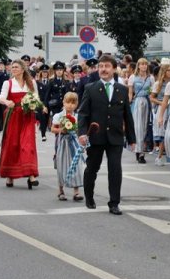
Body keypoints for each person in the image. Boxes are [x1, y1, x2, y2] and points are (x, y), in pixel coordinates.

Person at [77, 54, 136, 215]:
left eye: (107, 66)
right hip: (96, 136)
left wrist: (132, 138)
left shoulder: (122, 89)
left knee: (115, 169)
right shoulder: (91, 88)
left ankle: (114, 202)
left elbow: (127, 115)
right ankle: (89, 197)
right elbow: (83, 113)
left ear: (114, 69)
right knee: (92, 168)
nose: (103, 69)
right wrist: (82, 133)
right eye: (101, 66)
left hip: (116, 136)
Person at [0, 60, 39, 189]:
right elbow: (1, 98)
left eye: (16, 67)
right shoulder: (7, 83)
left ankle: (31, 175)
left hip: (27, 116)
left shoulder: (31, 83)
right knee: (13, 144)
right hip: (13, 116)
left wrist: (38, 106)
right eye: (12, 67)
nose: (13, 69)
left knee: (28, 144)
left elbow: (36, 98)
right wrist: (7, 102)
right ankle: (10, 176)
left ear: (22, 69)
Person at [51, 92, 83, 202]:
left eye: (73, 103)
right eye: (68, 102)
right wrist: (61, 130)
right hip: (62, 143)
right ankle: (61, 190)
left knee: (76, 165)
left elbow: (79, 131)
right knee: (61, 166)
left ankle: (76, 191)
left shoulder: (77, 116)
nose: (70, 105)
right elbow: (52, 129)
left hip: (74, 143)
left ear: (77, 104)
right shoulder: (58, 116)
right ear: (63, 102)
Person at [128, 58, 154, 164]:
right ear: (138, 66)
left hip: (147, 101)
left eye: (145, 64)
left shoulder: (150, 78)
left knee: (144, 127)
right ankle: (138, 151)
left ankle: (141, 151)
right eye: (142, 64)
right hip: (137, 101)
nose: (144, 66)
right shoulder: (133, 77)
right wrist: (128, 103)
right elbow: (130, 93)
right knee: (137, 127)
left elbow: (152, 92)